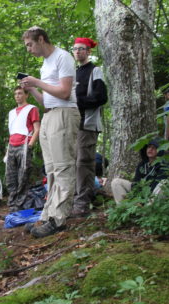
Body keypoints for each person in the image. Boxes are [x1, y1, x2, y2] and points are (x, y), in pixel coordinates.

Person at [20, 26, 80, 238]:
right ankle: (48, 215)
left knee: (63, 167)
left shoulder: (62, 57)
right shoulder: (46, 64)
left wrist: (37, 81)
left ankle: (59, 219)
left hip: (64, 114)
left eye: (30, 44)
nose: (28, 49)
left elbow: (64, 93)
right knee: (52, 169)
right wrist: (32, 88)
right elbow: (46, 101)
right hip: (49, 115)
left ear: (41, 39)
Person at [71, 37, 107, 217]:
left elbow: (101, 97)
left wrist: (77, 102)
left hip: (88, 124)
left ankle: (82, 204)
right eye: (75, 49)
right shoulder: (74, 73)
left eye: (81, 48)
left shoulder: (95, 70)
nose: (78, 51)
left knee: (83, 163)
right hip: (72, 124)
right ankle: (76, 200)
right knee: (73, 163)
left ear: (88, 51)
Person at [6, 86, 41, 212]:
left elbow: (37, 129)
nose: (17, 96)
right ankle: (12, 205)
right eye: (15, 94)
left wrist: (30, 145)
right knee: (10, 177)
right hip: (11, 145)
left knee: (23, 176)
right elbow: (12, 131)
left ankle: (20, 205)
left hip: (24, 144)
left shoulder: (32, 109)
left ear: (26, 95)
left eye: (20, 93)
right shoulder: (11, 112)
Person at [111, 140, 168, 204]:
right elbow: (136, 181)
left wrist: (143, 199)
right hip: (139, 191)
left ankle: (147, 208)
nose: (150, 149)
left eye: (154, 148)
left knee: (164, 182)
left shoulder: (163, 165)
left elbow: (157, 185)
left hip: (152, 194)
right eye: (149, 147)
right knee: (116, 182)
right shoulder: (142, 164)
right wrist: (136, 197)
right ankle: (123, 207)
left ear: (159, 150)